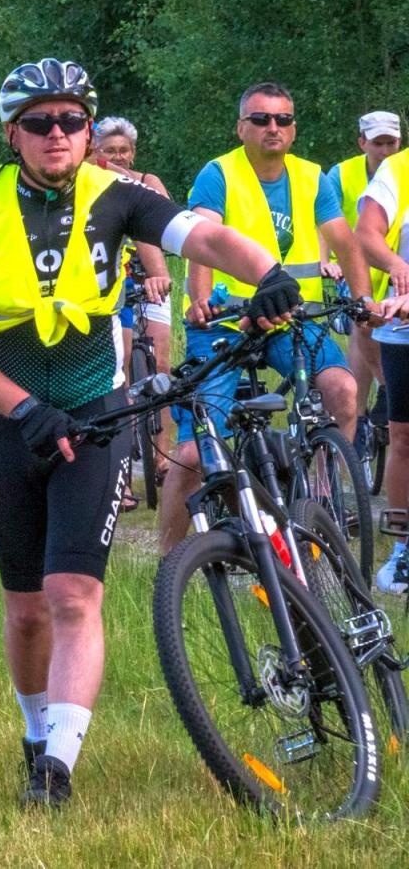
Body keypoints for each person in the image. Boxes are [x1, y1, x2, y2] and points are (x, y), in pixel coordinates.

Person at [0, 57, 301, 809]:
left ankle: (56, 768)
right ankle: (35, 732)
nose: (57, 134)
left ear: (89, 129)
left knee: (73, 594)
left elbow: (206, 237)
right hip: (14, 422)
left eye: (71, 121)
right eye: (40, 123)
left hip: (98, 412)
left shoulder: (119, 195)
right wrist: (22, 410)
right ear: (12, 134)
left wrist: (269, 272)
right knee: (27, 607)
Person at [159, 82, 380, 552]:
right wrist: (199, 301)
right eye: (260, 119)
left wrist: (363, 303)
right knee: (194, 452)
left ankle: (321, 501)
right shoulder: (219, 173)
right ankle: (170, 564)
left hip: (288, 318)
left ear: (294, 128)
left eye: (282, 119)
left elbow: (345, 242)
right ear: (241, 128)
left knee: (343, 390)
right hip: (222, 320)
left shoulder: (310, 177)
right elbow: (203, 237)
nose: (272, 127)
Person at [91, 116, 174, 506]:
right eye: (110, 151)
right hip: (116, 281)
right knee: (120, 370)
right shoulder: (92, 184)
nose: (118, 157)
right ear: (95, 153)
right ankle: (119, 476)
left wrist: (158, 273)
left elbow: (164, 226)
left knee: (161, 367)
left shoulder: (147, 182)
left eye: (124, 151)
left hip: (153, 280)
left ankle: (162, 460)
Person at [349, 142, 409, 592]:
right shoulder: (399, 169)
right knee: (404, 436)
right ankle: (404, 548)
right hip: (404, 326)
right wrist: (396, 266)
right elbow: (366, 233)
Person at [326, 111, 401, 440]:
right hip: (352, 262)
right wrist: (324, 259)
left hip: (392, 264)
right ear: (362, 143)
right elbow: (322, 219)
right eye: (378, 143)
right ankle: (387, 387)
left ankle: (361, 412)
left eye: (392, 143)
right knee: (365, 318)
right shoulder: (341, 174)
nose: (385, 151)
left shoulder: (400, 171)